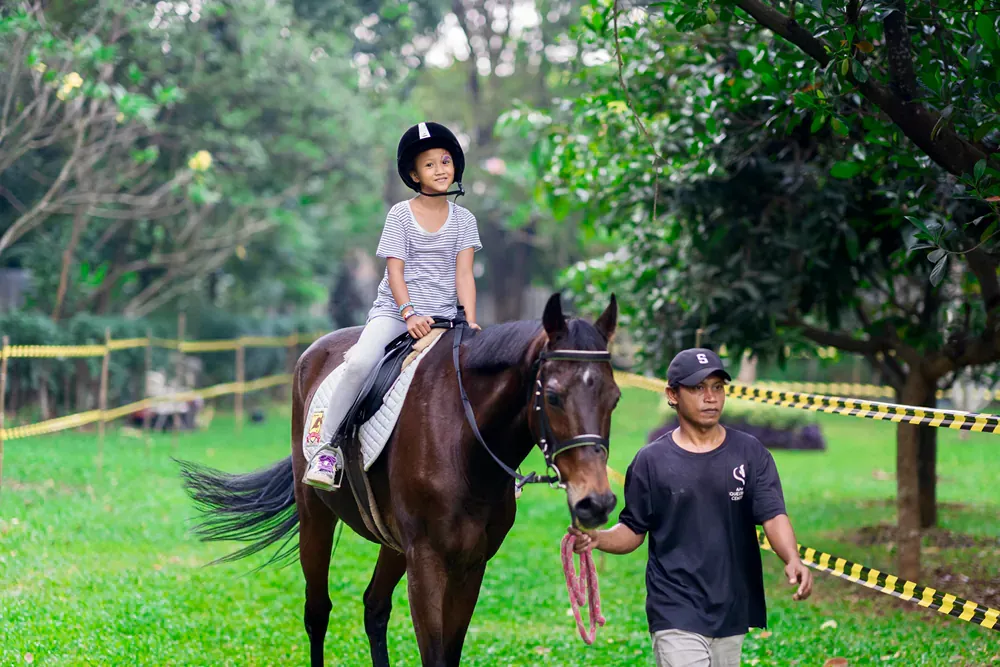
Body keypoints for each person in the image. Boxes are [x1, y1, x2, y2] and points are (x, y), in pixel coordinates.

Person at [569, 348, 813, 667]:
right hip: (674, 608)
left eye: (717, 387)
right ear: (673, 395)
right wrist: (598, 538)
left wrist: (792, 558)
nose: (710, 397)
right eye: (698, 388)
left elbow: (772, 514)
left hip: (731, 607)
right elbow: (633, 529)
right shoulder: (651, 461)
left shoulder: (750, 453)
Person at [303, 121, 482, 490]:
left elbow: (464, 275)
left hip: (445, 319)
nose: (440, 170)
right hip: (396, 314)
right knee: (360, 364)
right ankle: (327, 449)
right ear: (414, 175)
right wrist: (409, 314)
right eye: (429, 165)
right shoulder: (400, 215)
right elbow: (395, 273)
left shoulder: (464, 220)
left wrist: (470, 319)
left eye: (445, 161)